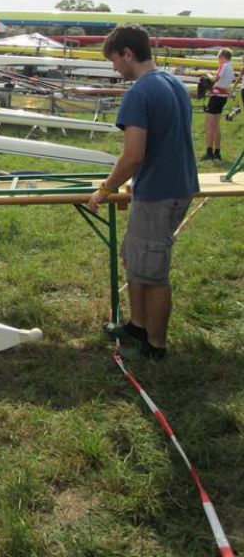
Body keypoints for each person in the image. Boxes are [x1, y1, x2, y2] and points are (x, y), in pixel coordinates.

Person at [87, 25, 199, 361]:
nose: (114, 68)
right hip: (177, 185)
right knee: (137, 261)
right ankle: (137, 325)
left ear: (128, 54)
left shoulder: (138, 93)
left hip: (158, 194)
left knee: (153, 272)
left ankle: (155, 347)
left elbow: (133, 155)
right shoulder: (173, 82)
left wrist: (105, 189)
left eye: (114, 60)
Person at [201, 48, 235, 161]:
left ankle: (209, 153)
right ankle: (217, 153)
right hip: (222, 97)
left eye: (219, 58)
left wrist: (207, 74)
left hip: (216, 97)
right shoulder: (231, 67)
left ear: (223, 57)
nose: (218, 61)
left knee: (209, 126)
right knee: (216, 126)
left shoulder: (224, 66)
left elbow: (215, 79)